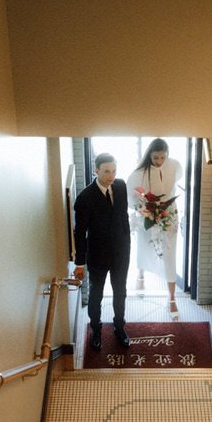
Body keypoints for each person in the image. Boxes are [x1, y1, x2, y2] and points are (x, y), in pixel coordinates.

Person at [73, 153, 131, 353]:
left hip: (121, 252)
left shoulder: (121, 186)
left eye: (114, 171)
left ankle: (119, 327)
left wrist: (126, 241)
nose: (111, 176)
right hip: (97, 254)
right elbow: (80, 233)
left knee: (120, 291)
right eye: (106, 171)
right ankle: (96, 330)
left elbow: (123, 216)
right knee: (96, 294)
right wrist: (79, 263)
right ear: (95, 170)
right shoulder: (85, 198)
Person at [126, 139, 183, 315]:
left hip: (169, 214)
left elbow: (176, 182)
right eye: (156, 157)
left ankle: (172, 297)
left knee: (169, 252)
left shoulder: (175, 165)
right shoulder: (139, 173)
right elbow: (131, 196)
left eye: (162, 157)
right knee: (144, 245)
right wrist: (145, 209)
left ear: (168, 154)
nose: (159, 161)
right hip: (147, 214)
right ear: (149, 155)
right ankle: (141, 273)